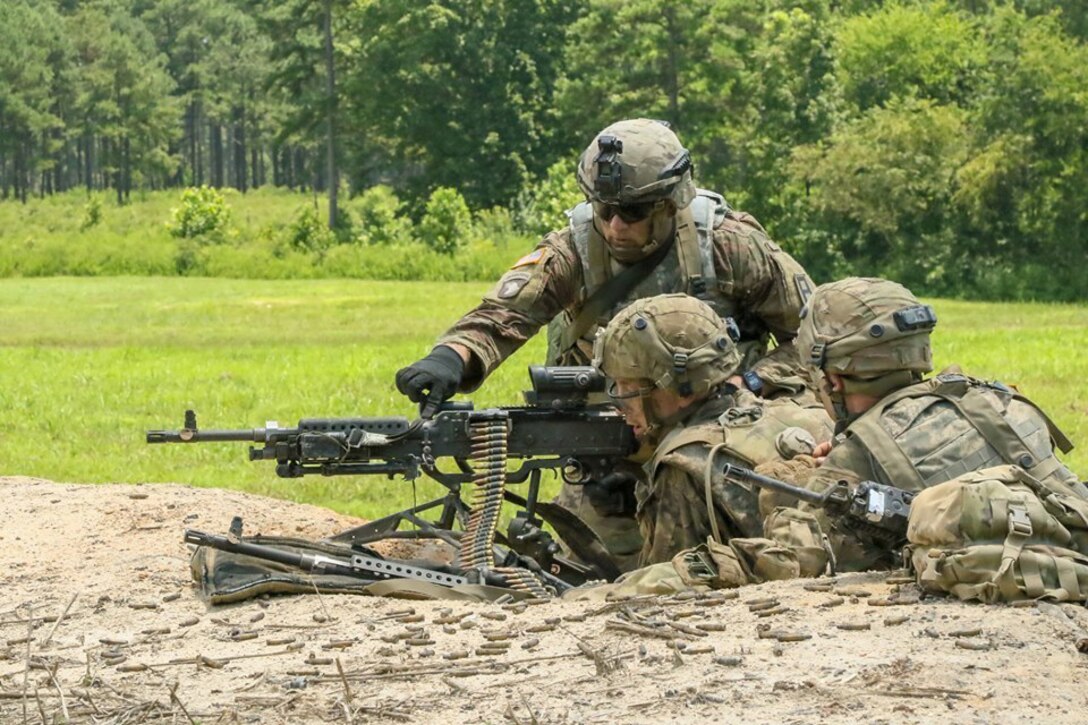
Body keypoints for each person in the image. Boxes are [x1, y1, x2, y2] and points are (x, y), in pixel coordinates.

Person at [395, 118, 816, 565]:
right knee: (585, 575)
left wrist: (749, 382)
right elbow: (504, 315)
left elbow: (812, 338)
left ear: (672, 202)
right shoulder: (573, 251)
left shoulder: (729, 247)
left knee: (737, 566)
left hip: (718, 446)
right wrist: (450, 359)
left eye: (633, 212)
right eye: (603, 208)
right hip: (607, 453)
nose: (615, 226)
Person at [591, 293, 833, 567]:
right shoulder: (803, 415)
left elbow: (666, 586)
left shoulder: (685, 466)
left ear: (681, 390)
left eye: (629, 388)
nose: (620, 404)